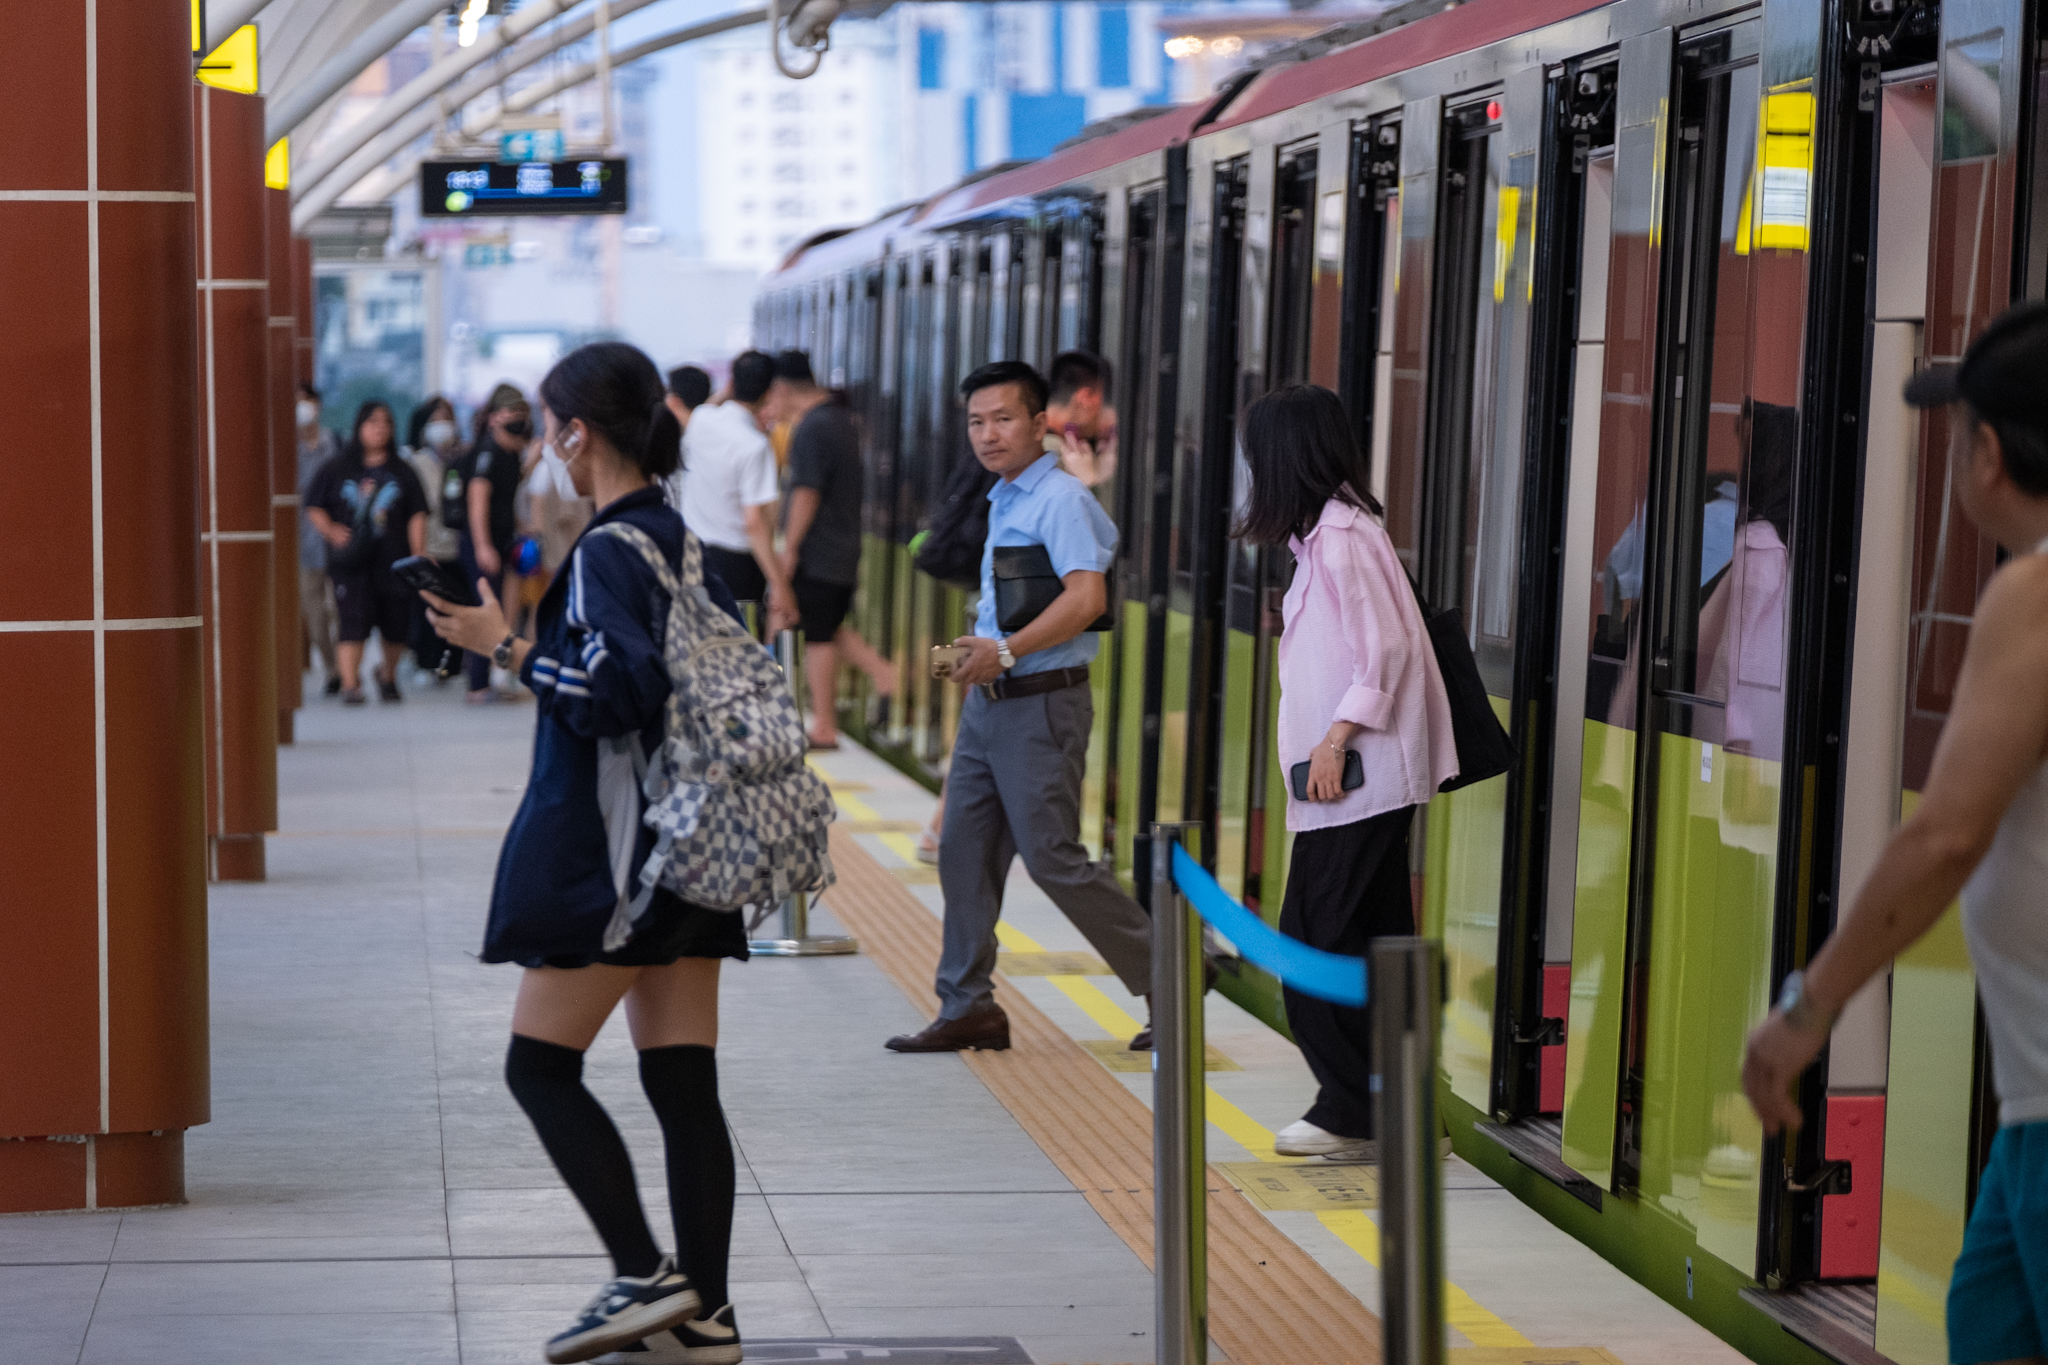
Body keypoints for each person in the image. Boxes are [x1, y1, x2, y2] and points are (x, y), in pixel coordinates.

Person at [420, 341, 748, 1365]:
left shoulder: (608, 549)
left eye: (552, 428)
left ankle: (644, 1273)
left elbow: (618, 693)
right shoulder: (681, 538)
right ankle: (705, 1317)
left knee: (537, 1067)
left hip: (622, 856)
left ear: (573, 431)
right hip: (695, 842)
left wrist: (504, 647)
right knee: (682, 1083)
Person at [1743, 303, 2048, 1364]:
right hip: (2030, 1108)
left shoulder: (2035, 594)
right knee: (1986, 1321)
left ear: (1989, 454)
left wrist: (1804, 1007)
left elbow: (1944, 838)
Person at [885, 360, 1155, 1054]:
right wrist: (985, 656)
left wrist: (1004, 651)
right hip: (992, 702)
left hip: (1041, 704)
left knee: (1053, 858)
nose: (987, 434)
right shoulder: (1003, 495)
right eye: (976, 421)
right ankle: (968, 1005)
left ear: (1040, 423)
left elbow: (1087, 599)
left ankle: (1172, 976)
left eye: (1003, 418)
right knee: (963, 850)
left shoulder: (1060, 499)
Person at [1234, 383, 1458, 1161]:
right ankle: (1399, 1116)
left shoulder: (1342, 537)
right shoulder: (1325, 539)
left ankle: (1348, 1107)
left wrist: (1334, 740)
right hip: (1352, 779)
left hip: (1359, 776)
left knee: (1311, 940)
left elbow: (1387, 650)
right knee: (1374, 945)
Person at [767, 349, 895, 749]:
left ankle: (824, 725)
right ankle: (881, 671)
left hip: (819, 549)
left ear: (783, 388)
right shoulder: (839, 419)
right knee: (820, 622)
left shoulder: (814, 427)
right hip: (841, 545)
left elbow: (806, 491)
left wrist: (789, 547)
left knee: (816, 632)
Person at [304, 400, 429, 705]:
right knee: (352, 622)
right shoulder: (337, 467)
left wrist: (419, 553)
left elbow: (417, 513)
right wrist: (332, 531)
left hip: (394, 560)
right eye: (372, 423)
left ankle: (387, 675)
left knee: (395, 624)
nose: (379, 429)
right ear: (359, 427)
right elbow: (313, 505)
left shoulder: (403, 471)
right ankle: (350, 683)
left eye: (385, 423)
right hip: (351, 562)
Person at [668, 351, 794, 637]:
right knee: (737, 654)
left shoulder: (701, 419)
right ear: (770, 391)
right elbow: (755, 523)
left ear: (731, 383)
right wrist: (780, 585)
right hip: (737, 568)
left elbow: (713, 405)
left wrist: (729, 388)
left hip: (692, 558)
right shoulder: (756, 446)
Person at [462, 384, 539, 702]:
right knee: (486, 612)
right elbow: (477, 500)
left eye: (521, 413)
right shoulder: (486, 452)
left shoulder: (509, 453)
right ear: (494, 417)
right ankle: (478, 685)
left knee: (504, 615)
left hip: (504, 542)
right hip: (484, 545)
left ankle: (497, 678)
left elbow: (509, 495)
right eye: (511, 413)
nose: (517, 419)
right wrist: (483, 545)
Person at [405, 395, 464, 678]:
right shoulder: (414, 461)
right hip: (427, 544)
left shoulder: (461, 458)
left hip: (456, 544)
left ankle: (453, 664)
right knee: (426, 607)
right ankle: (425, 661)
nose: (442, 426)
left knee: (456, 603)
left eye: (446, 420)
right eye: (435, 421)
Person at [295, 383, 342, 696]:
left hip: (335, 537)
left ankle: (344, 664)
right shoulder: (285, 446)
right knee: (313, 611)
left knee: (338, 607)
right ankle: (331, 667)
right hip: (301, 542)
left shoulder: (333, 443)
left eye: (307, 402)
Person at [1044, 350, 1117, 490]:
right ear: (1087, 397)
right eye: (1107, 403)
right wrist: (1089, 481)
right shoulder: (1047, 454)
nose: (1112, 423)